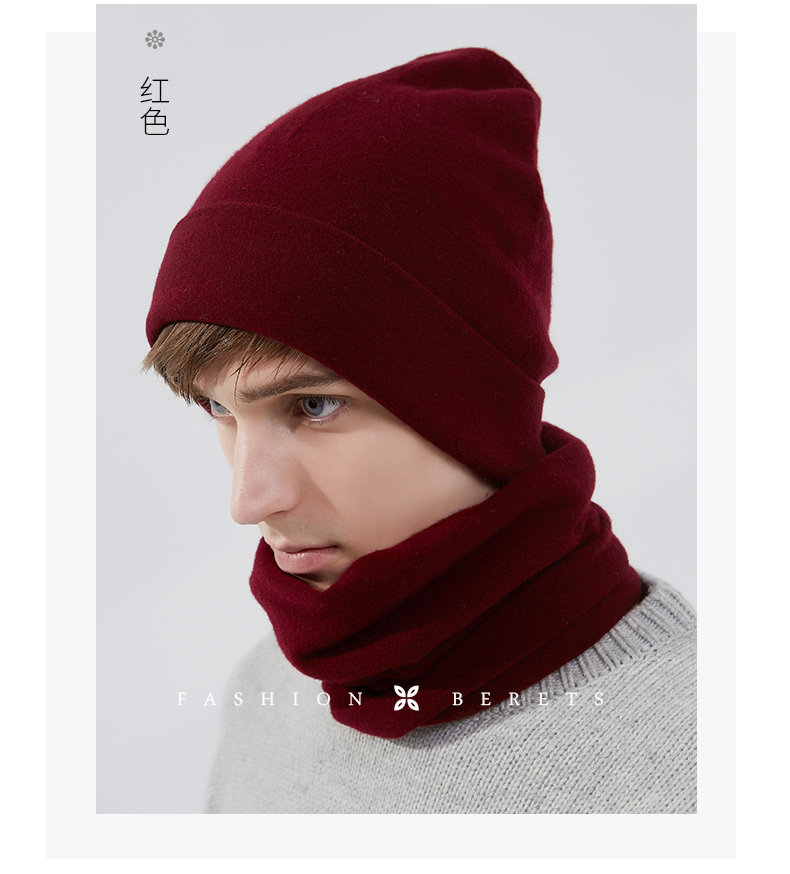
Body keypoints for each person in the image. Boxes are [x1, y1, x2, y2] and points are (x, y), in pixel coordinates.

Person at [143, 46, 696, 814]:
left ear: (475, 405)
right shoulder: (269, 694)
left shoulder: (703, 761)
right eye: (219, 411)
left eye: (312, 406)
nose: (249, 500)